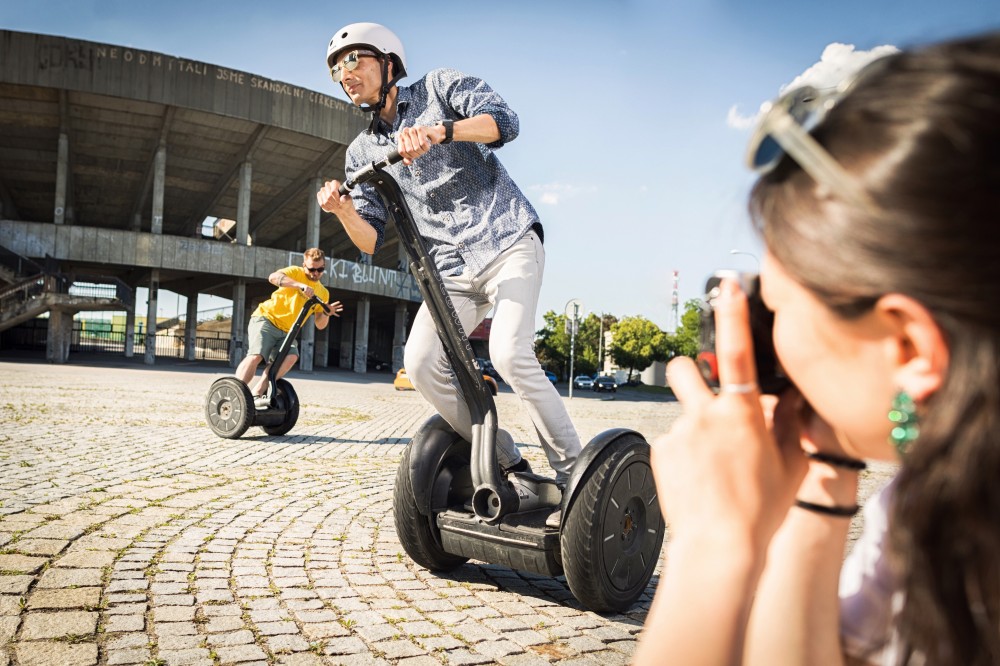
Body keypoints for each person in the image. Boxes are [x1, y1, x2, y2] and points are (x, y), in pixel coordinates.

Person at [634, 32, 1000, 666]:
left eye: (779, 306)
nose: (769, 332)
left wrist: (713, 547)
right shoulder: (931, 492)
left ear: (910, 346)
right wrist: (825, 471)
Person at [315, 23, 582, 508]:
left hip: (506, 238)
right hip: (450, 271)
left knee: (508, 353)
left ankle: (575, 478)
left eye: (354, 60)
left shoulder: (439, 87)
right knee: (419, 363)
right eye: (336, 68)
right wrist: (344, 211)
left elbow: (505, 121)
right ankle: (510, 464)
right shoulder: (361, 152)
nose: (344, 74)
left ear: (389, 62)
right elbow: (371, 240)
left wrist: (442, 131)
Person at [234, 248, 343, 405]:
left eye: (320, 269)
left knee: (291, 357)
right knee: (257, 355)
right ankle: (235, 392)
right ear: (304, 265)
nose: (315, 273)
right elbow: (273, 277)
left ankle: (257, 392)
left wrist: (326, 313)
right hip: (267, 318)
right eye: (311, 269)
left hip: (287, 331)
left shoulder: (323, 293)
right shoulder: (295, 272)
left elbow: (320, 325)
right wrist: (300, 286)